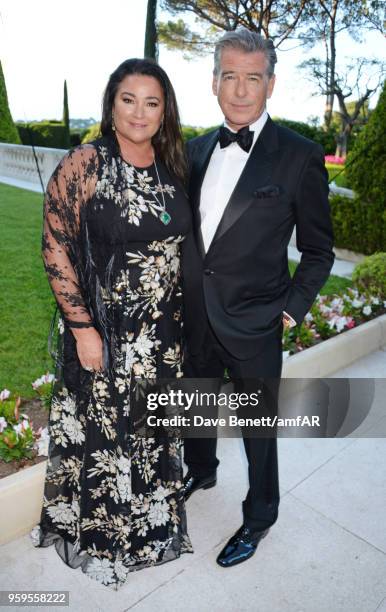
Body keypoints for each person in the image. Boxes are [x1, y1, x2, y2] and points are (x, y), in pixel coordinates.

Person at [30, 58, 193, 589]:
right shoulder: (86, 162)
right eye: (129, 99)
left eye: (152, 102)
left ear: (165, 110)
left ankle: (147, 527)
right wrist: (81, 328)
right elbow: (55, 244)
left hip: (163, 334)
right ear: (112, 103)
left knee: (149, 433)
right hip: (108, 332)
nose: (140, 112)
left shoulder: (174, 165)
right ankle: (103, 536)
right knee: (107, 436)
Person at [181, 28, 335, 567]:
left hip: (256, 322)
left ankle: (259, 516)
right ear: (214, 82)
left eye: (253, 78)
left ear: (270, 84)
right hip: (194, 317)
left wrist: (291, 309)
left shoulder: (299, 156)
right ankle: (200, 471)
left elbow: (319, 250)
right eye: (231, 77)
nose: (241, 90)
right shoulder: (193, 150)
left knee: (258, 432)